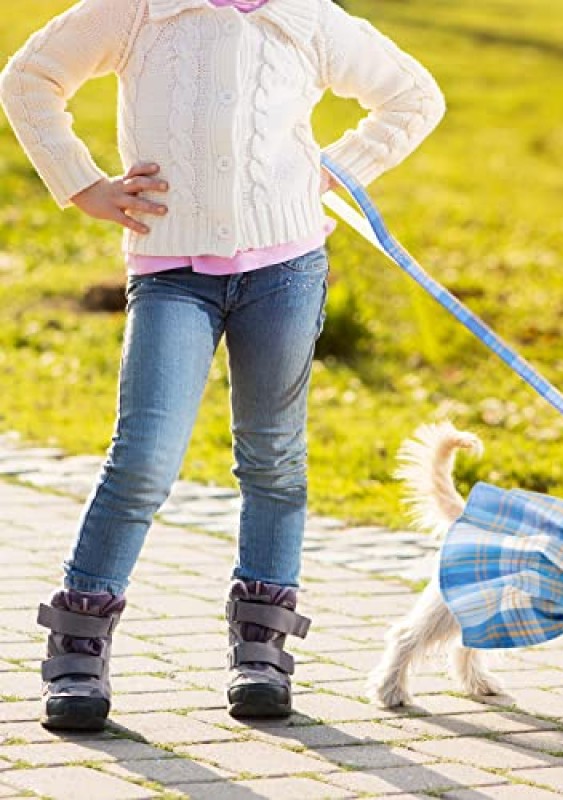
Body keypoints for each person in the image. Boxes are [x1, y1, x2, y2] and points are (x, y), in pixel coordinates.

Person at [0, 0, 445, 731]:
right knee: (143, 458)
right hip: (172, 271)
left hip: (286, 270)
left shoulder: (306, 17)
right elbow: (31, 77)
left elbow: (414, 95)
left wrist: (330, 174)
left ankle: (261, 648)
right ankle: (79, 640)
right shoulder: (141, 10)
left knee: (273, 458)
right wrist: (82, 184)